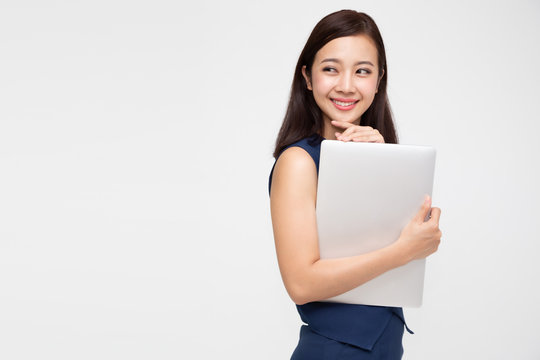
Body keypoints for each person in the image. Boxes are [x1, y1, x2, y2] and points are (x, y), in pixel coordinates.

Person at [268, 10, 442, 360]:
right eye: (330, 68)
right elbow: (301, 284)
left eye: (362, 71)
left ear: (379, 80)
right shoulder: (299, 162)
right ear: (307, 76)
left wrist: (377, 168)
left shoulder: (382, 156)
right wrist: (405, 250)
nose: (346, 85)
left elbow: (379, 248)